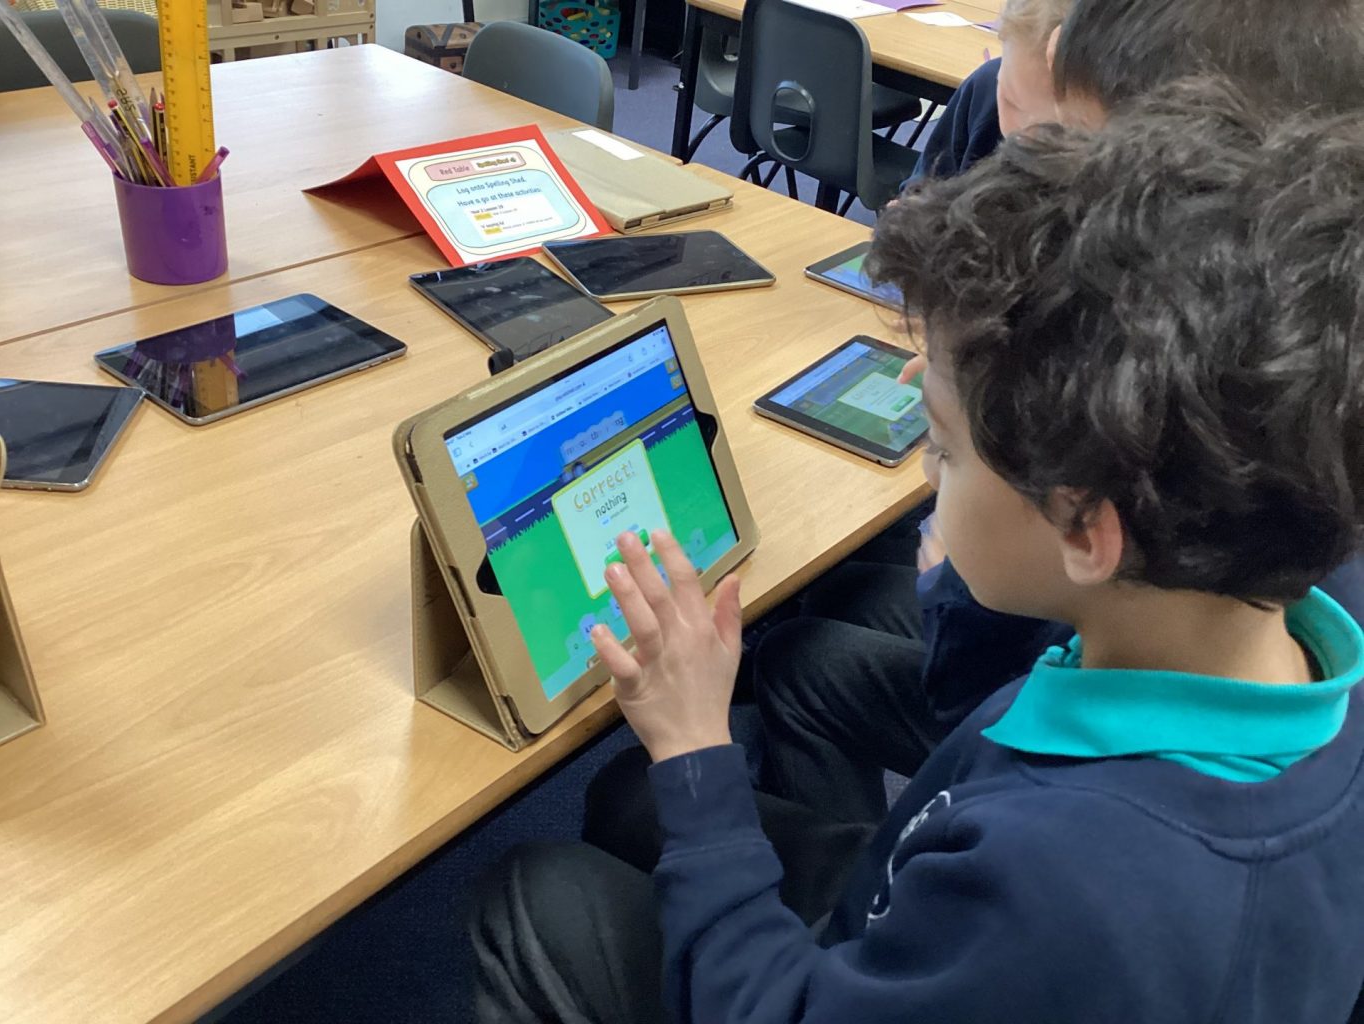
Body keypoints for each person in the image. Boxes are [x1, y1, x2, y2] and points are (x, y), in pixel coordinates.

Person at [470, 82, 1364, 1023]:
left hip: (883, 968)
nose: (932, 457)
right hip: (922, 911)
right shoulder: (1267, 634)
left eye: (942, 445)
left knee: (533, 891)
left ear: (1083, 529)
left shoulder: (1062, 885)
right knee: (631, 796)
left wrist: (694, 746)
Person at [756, 0, 1364, 826]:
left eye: (1082, 166)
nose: (1050, 193)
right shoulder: (1295, 379)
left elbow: (981, 689)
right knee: (835, 611)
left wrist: (974, 454)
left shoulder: (1153, 485)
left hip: (1025, 710)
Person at [911, 0, 1070, 180]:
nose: (1019, 137)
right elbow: (923, 183)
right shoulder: (986, 88)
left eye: (1054, 132)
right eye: (1011, 102)